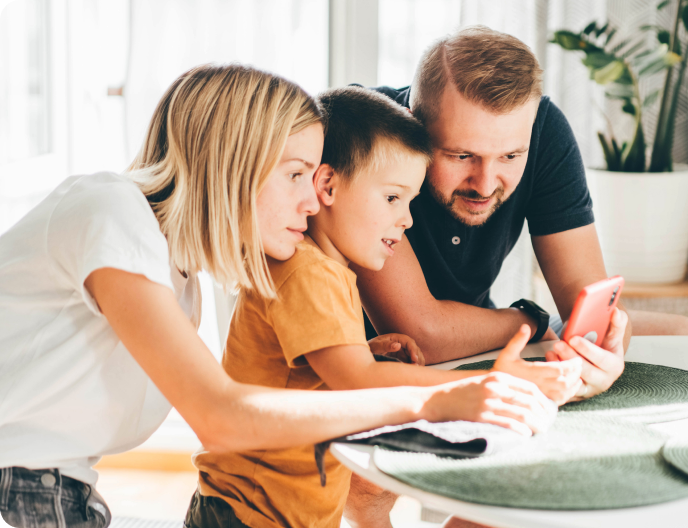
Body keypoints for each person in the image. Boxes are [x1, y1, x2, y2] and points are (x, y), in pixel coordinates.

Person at [0, 64, 557, 528]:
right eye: (295, 175)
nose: (312, 203)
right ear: (236, 162)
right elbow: (220, 416)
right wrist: (434, 399)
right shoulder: (111, 211)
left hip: (62, 492)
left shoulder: (179, 282)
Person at [187, 86, 584, 528]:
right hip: (246, 517)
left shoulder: (323, 270)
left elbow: (309, 368)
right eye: (393, 199)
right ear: (329, 186)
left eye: (410, 202)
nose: (407, 220)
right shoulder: (306, 272)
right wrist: (476, 386)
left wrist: (364, 349)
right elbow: (358, 381)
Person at [358, 25, 688, 396]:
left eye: (510, 156)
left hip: (482, 332)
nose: (485, 184)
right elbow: (420, 333)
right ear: (413, 121)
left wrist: (604, 344)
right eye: (462, 156)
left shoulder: (544, 128)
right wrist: (532, 321)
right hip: (390, 355)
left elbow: (586, 301)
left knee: (686, 333)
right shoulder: (367, 132)